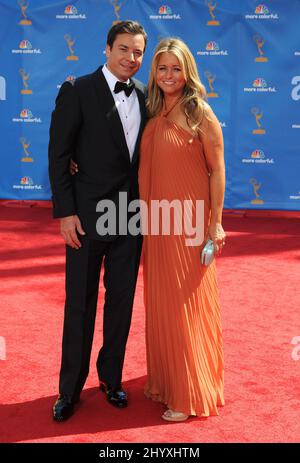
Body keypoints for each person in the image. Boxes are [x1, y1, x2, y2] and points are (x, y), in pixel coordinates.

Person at [48, 20, 147, 421]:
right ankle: (68, 390)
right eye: (123, 49)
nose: (131, 58)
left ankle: (112, 379)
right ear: (107, 49)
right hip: (87, 219)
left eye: (138, 51)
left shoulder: (146, 94)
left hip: (130, 217)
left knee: (121, 303)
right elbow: (58, 155)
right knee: (80, 305)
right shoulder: (78, 89)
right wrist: (66, 213)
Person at [138, 38, 226, 421]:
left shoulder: (200, 112)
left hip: (188, 225)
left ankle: (188, 392)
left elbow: (217, 170)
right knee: (160, 305)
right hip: (156, 223)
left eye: (176, 68)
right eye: (162, 68)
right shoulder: (151, 109)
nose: (169, 75)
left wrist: (215, 224)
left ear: (187, 71)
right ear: (154, 73)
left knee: (183, 307)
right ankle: (168, 380)